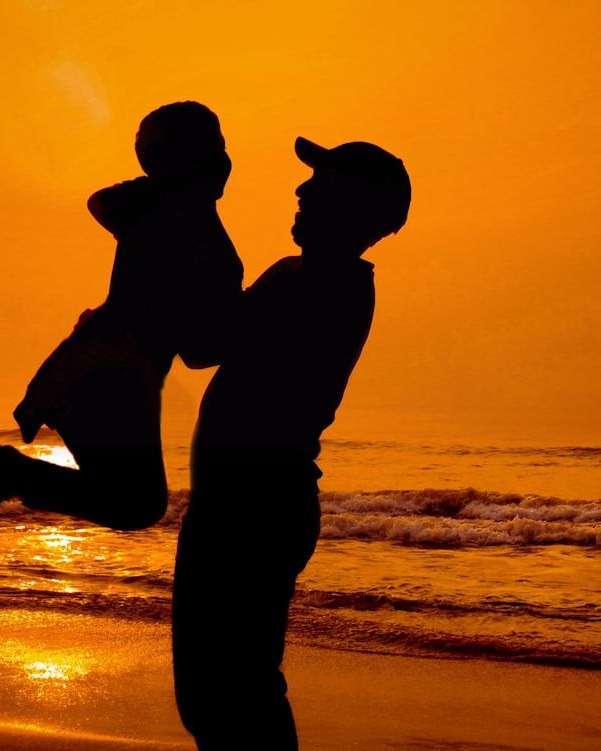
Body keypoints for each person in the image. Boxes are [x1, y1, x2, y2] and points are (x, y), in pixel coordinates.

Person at [171, 136, 411, 750]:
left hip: (250, 511)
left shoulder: (316, 284)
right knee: (228, 691)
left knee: (229, 692)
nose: (301, 192)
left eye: (320, 183)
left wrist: (200, 213)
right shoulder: (309, 277)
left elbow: (201, 345)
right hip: (250, 506)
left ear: (349, 204)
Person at [0, 101, 243, 539]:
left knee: (133, 500)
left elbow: (103, 202)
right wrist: (254, 323)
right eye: (214, 148)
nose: (225, 161)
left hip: (98, 370)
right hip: (109, 376)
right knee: (135, 503)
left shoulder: (156, 213)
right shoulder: (202, 244)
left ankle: (6, 472)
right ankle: (4, 471)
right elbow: (201, 351)